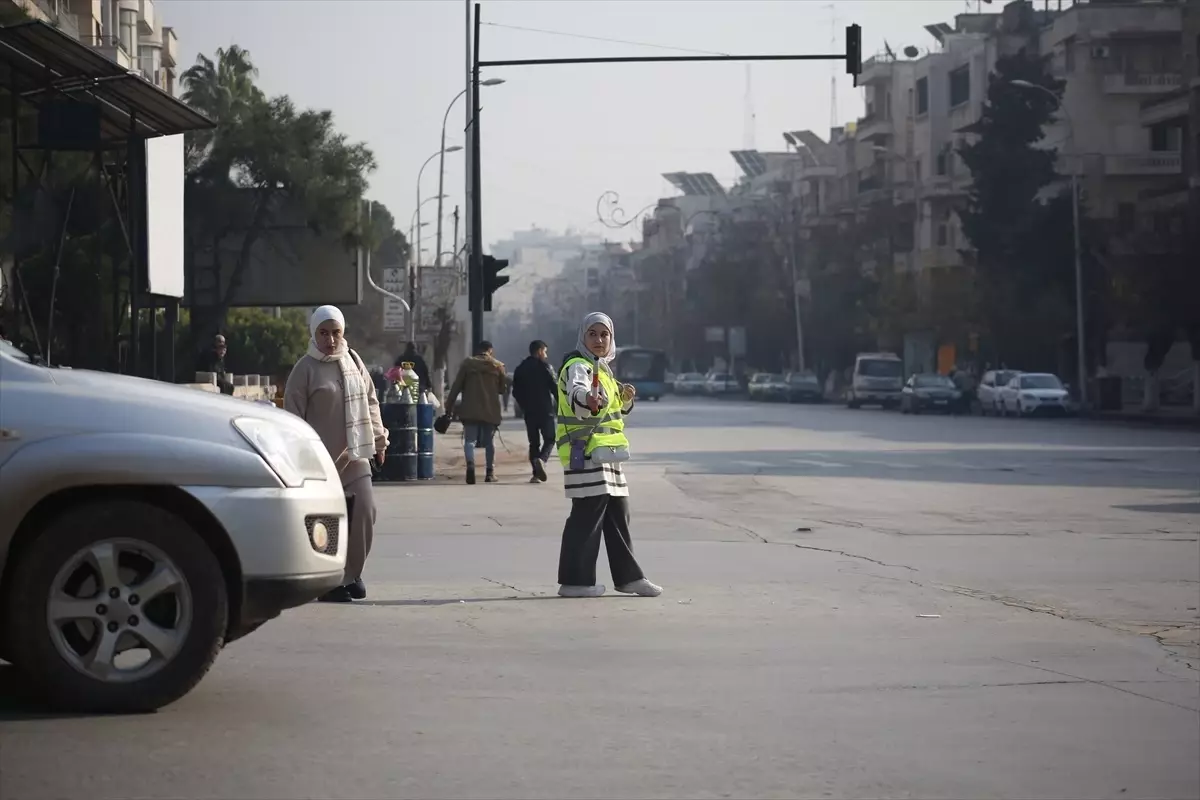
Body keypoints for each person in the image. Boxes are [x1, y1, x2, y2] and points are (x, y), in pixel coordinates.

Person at [284, 305, 388, 603]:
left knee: (365, 513)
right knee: (326, 524)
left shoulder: (353, 361)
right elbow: (292, 419)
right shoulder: (304, 369)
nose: (330, 339)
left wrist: (380, 442)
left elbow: (371, 403)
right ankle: (329, 581)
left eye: (335, 332)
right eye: (324, 333)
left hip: (355, 455)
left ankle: (350, 574)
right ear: (314, 334)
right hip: (319, 462)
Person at [555, 312, 662, 599]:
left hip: (609, 457)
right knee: (586, 517)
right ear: (583, 337)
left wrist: (625, 398)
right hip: (587, 453)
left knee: (618, 515)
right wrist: (586, 399)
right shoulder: (579, 366)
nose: (599, 340)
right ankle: (575, 582)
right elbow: (577, 393)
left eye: (604, 335)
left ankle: (630, 578)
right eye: (593, 334)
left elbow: (613, 410)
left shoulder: (603, 369)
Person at [445, 340, 508, 485]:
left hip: (470, 409)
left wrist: (449, 407)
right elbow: (502, 389)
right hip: (490, 410)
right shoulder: (498, 366)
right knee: (489, 442)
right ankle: (490, 473)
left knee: (469, 441)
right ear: (490, 350)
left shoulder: (467, 364)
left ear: (478, 350)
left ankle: (470, 466)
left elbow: (456, 387)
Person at [512, 339, 557, 484]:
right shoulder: (545, 367)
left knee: (534, 443)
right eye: (545, 351)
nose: (546, 355)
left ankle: (536, 474)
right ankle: (542, 460)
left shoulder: (520, 368)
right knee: (550, 438)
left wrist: (524, 406)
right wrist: (562, 405)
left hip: (529, 412)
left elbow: (515, 392)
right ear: (539, 351)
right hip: (545, 410)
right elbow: (554, 388)